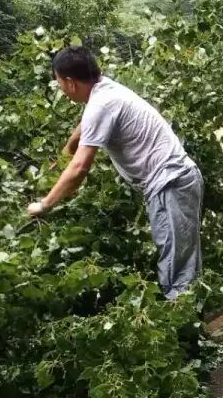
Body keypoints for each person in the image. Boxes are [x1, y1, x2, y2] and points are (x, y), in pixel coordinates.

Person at [28, 46, 205, 300]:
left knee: (177, 271)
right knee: (182, 262)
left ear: (70, 82)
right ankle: (190, 313)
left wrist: (44, 205)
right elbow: (86, 124)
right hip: (175, 180)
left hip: (170, 184)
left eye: (60, 83)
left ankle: (182, 319)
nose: (61, 89)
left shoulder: (101, 104)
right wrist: (68, 148)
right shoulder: (104, 90)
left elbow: (80, 167)